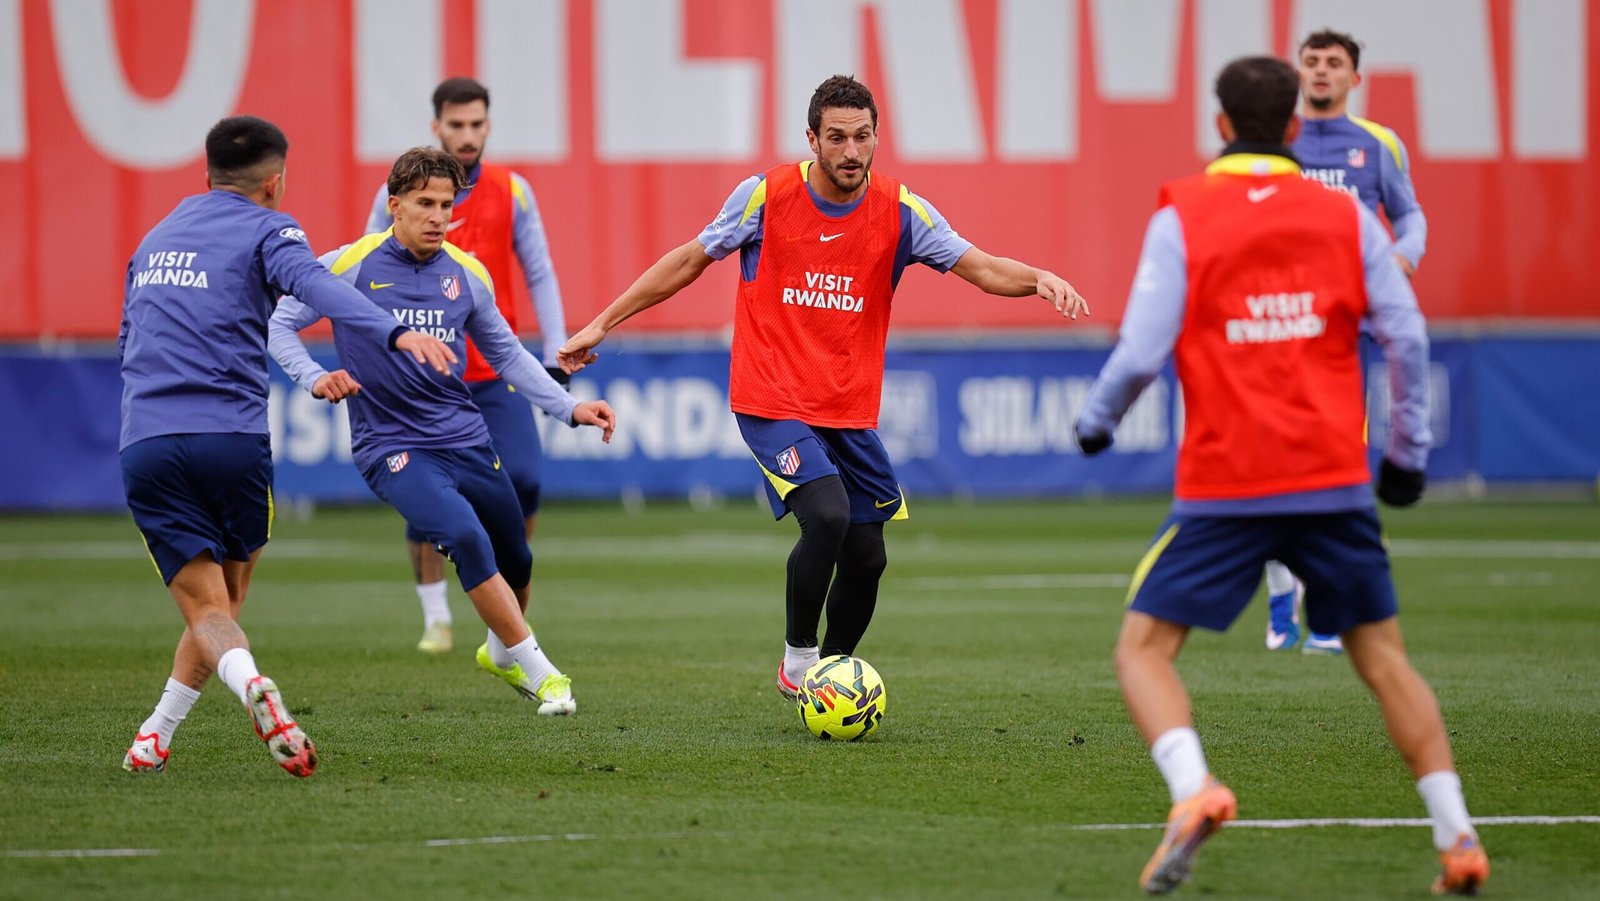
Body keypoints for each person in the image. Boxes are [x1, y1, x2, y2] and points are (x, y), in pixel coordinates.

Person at [1072, 57, 1487, 895]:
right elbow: (1405, 337)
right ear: (1295, 126)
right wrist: (1405, 456)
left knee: (1143, 651)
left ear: (1220, 127)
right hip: (1333, 480)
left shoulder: (1181, 213)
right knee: (1385, 662)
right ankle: (1458, 840)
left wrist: (1097, 421)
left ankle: (1194, 791)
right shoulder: (1346, 218)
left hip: (1228, 484)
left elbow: (1143, 349)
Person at [557, 75, 1089, 701]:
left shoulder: (900, 211)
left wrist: (1038, 278)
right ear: (810, 139)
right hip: (770, 399)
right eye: (835, 138)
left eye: (862, 137)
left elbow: (983, 267)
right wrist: (601, 323)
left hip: (848, 412)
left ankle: (831, 677)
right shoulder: (765, 196)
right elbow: (686, 261)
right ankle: (798, 659)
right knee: (829, 516)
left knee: (869, 557)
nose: (850, 152)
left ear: (876, 138)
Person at [119, 116, 457, 776]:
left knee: (206, 607)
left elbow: (128, 342)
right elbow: (323, 286)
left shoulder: (154, 239)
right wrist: (395, 333)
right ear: (276, 182)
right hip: (231, 439)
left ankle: (158, 732)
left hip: (149, 440)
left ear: (206, 173)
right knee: (226, 603)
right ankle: (201, 711)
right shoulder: (271, 228)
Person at [271, 146, 615, 716]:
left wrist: (568, 408)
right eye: (424, 204)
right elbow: (280, 323)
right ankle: (544, 674)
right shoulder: (350, 264)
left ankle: (501, 653)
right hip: (392, 445)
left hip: (466, 438)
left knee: (517, 558)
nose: (437, 216)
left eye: (446, 205)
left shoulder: (466, 274)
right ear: (394, 205)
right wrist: (312, 377)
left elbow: (506, 355)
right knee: (466, 536)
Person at [364, 78, 570, 655]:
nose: (467, 135)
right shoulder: (400, 191)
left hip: (493, 370)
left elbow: (540, 271)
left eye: (477, 124)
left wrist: (555, 345)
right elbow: (361, 276)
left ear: (488, 125)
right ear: (437, 127)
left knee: (525, 478)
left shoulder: (513, 191)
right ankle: (435, 616)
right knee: (429, 492)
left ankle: (500, 610)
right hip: (421, 379)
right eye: (456, 125)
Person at [1264, 28, 1431, 655]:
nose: (1322, 71)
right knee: (1270, 464)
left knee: (1335, 469)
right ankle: (1283, 593)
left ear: (1355, 78)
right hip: (1274, 328)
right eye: (1312, 61)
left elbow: (1410, 215)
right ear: (1298, 72)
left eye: (1335, 63)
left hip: (1342, 338)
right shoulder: (1278, 142)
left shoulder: (1377, 144)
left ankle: (1329, 614)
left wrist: (1399, 259)